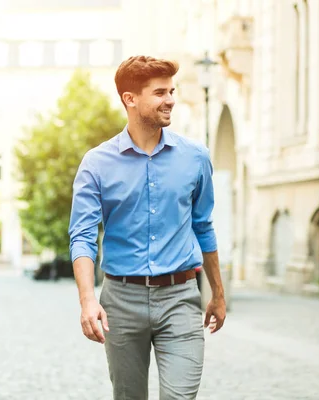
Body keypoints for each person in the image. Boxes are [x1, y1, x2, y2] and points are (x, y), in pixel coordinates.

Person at [68, 55, 226, 399]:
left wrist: (217, 292)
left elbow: (203, 226)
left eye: (172, 91)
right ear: (130, 99)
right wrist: (87, 301)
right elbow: (82, 236)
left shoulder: (195, 157)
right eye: (159, 93)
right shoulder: (97, 163)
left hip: (181, 298)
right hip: (121, 302)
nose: (170, 100)